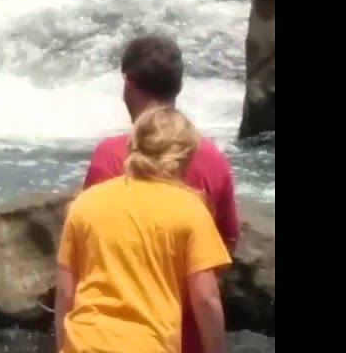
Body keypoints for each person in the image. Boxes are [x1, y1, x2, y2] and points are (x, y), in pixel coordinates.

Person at [82, 35, 241, 353]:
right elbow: (225, 247)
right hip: (187, 335)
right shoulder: (213, 159)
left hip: (112, 336)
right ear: (178, 87)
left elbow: (88, 251)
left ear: (127, 82)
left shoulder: (108, 157)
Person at [57, 106, 231, 353]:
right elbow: (205, 298)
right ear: (185, 158)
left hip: (84, 343)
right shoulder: (190, 210)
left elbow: (66, 292)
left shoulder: (85, 203)